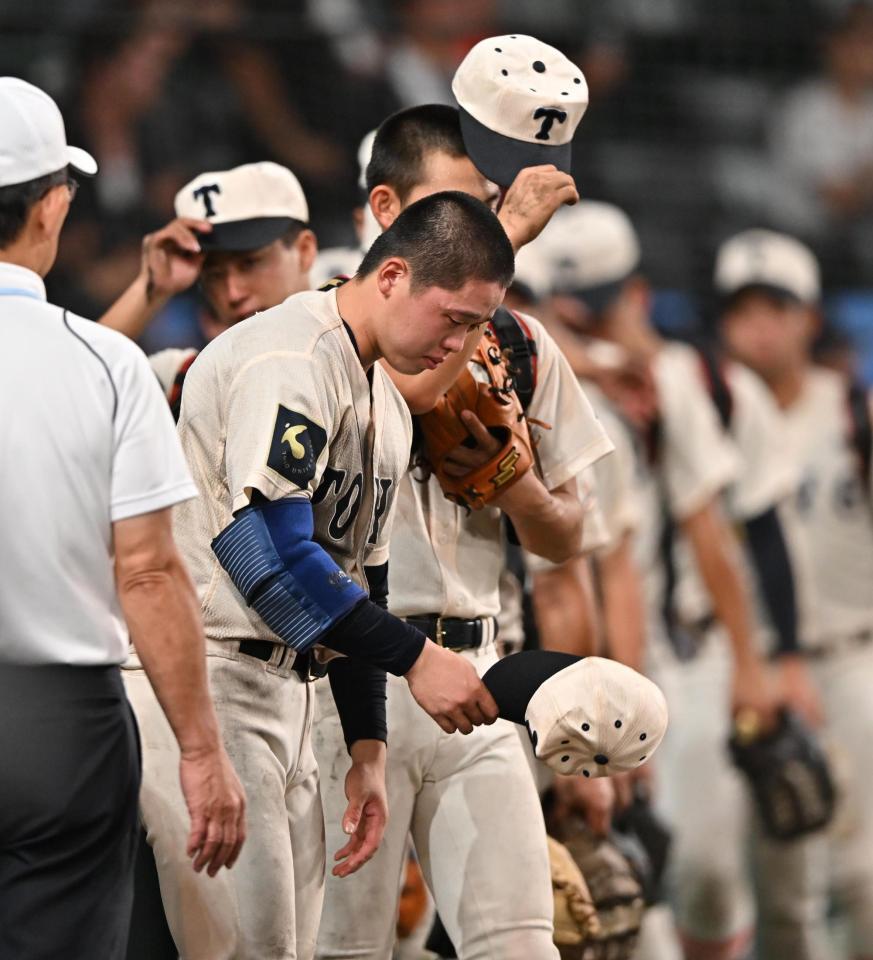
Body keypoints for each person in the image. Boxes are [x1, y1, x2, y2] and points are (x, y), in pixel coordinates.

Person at [125, 190, 512, 960]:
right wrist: (417, 657)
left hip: (287, 695)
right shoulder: (290, 357)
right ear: (392, 275)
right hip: (207, 679)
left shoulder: (385, 401)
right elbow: (262, 554)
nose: (459, 345)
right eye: (453, 318)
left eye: (476, 326)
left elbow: (359, 579)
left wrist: (367, 744)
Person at [313, 98, 616, 960]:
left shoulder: (519, 341)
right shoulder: (321, 327)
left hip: (477, 679)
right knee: (344, 950)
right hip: (347, 681)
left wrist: (517, 487)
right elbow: (393, 392)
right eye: (450, 207)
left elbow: (567, 538)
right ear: (385, 210)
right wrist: (507, 240)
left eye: (482, 206)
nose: (471, 225)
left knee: (520, 943)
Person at [533, 201, 833, 960]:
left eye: (598, 309)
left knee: (701, 873)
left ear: (634, 295)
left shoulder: (677, 382)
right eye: (567, 313)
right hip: (568, 660)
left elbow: (713, 539)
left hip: (679, 655)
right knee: (610, 887)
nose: (586, 326)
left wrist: (757, 662)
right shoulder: (532, 381)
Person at [0, 77, 245, 960]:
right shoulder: (106, 365)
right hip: (61, 725)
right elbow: (146, 571)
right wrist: (201, 751)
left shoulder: (104, 359)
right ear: (52, 205)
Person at [716, 227, 873, 960]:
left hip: (850, 658)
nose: (758, 326)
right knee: (774, 888)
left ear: (808, 317)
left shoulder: (852, 411)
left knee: (863, 874)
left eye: (774, 308)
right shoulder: (707, 409)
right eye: (742, 310)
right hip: (743, 664)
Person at [99, 159, 318, 409]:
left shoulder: (352, 351)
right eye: (214, 275)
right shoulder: (186, 380)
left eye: (249, 263)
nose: (233, 293)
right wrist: (151, 288)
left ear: (304, 251)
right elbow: (79, 381)